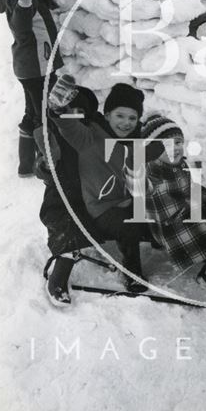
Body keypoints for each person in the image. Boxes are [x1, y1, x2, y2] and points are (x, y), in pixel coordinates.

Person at [125, 113, 206, 311]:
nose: (176, 148)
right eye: (166, 144)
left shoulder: (179, 165)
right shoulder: (149, 172)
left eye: (178, 142)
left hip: (187, 214)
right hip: (169, 227)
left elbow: (189, 189)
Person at [48, 76, 150, 292]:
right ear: (106, 115)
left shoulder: (136, 143)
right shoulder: (91, 136)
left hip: (128, 200)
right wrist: (57, 108)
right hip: (103, 208)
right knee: (129, 226)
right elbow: (67, 126)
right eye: (119, 115)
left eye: (132, 118)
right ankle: (132, 274)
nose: (126, 123)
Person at [0, 0, 63, 177]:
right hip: (37, 70)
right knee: (43, 117)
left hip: (32, 68)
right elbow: (21, 30)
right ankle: (49, 165)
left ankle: (25, 165)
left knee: (32, 113)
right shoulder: (22, 1)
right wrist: (25, 3)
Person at [41, 86, 101, 306]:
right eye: (68, 111)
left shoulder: (95, 130)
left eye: (78, 111)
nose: (73, 116)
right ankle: (59, 277)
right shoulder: (55, 135)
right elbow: (42, 167)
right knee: (66, 227)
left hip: (91, 193)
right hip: (61, 194)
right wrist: (46, 166)